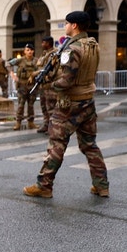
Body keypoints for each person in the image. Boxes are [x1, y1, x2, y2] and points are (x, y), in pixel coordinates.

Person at [24, 11, 109, 199]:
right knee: (90, 145)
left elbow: (67, 81)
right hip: (88, 101)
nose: (66, 26)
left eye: (67, 23)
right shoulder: (93, 45)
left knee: (57, 143)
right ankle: (102, 185)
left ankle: (44, 185)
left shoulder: (72, 50)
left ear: (75, 26)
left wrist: (47, 84)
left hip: (70, 103)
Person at [11, 43, 38, 130]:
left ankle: (31, 122)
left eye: (31, 50)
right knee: (21, 105)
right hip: (22, 86)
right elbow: (8, 64)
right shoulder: (20, 60)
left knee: (31, 105)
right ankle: (18, 122)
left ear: (33, 51)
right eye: (27, 50)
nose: (29, 51)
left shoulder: (36, 61)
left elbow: (41, 69)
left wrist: (34, 75)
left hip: (32, 86)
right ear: (24, 51)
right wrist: (12, 74)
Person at [36, 36, 59, 133]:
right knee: (44, 106)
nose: (42, 44)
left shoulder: (54, 54)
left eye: (43, 42)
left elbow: (53, 70)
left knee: (51, 107)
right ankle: (46, 124)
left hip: (50, 85)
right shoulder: (44, 54)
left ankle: (53, 127)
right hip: (43, 85)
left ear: (48, 43)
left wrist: (46, 77)